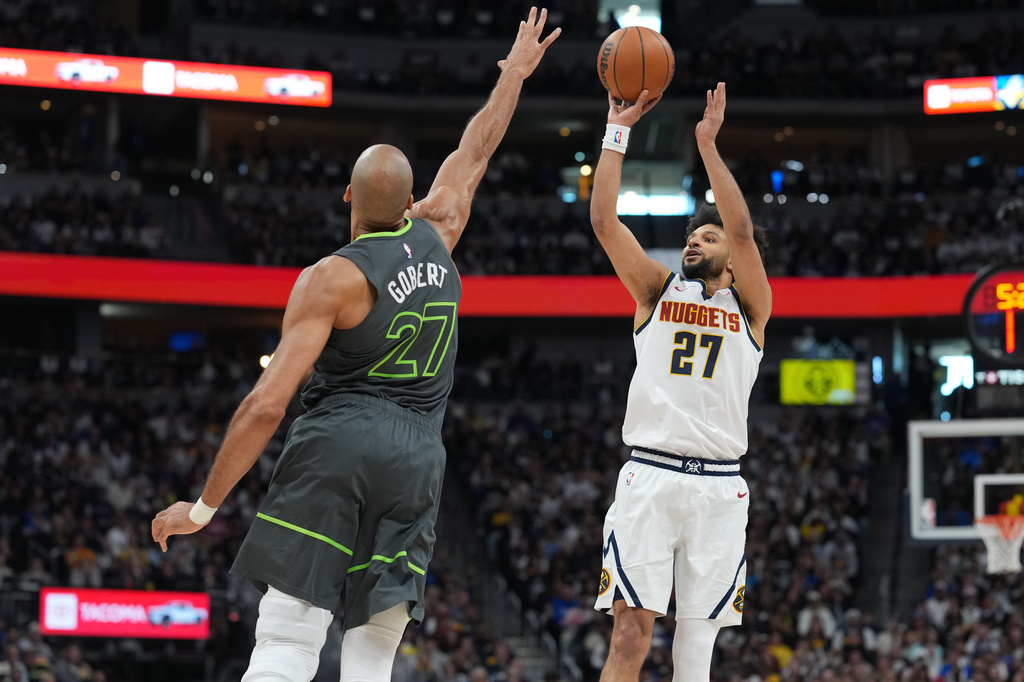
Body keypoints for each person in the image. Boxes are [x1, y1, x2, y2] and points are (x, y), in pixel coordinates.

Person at [151, 9, 560, 681]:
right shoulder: (442, 229)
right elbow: (477, 148)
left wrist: (203, 508)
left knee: (287, 639)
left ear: (348, 195)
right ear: (409, 202)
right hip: (418, 457)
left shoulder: (327, 280)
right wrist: (514, 73)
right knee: (373, 653)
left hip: (337, 442)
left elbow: (264, 406)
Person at [589, 82, 772, 681]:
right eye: (693, 234)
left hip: (720, 489)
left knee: (696, 652)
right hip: (651, 474)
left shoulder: (751, 310)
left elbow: (743, 232)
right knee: (628, 638)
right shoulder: (656, 290)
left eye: (707, 236)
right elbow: (603, 220)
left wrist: (707, 145)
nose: (695, 239)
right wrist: (618, 131)